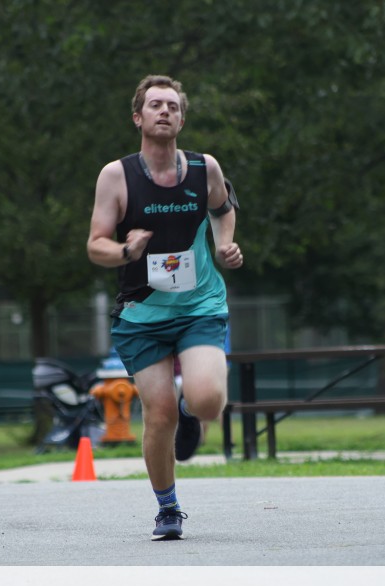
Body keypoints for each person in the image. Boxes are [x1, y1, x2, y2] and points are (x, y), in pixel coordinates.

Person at [87, 74, 243, 540]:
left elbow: (224, 208)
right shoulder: (117, 176)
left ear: (181, 120)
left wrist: (225, 245)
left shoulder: (203, 168)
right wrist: (125, 250)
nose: (165, 111)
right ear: (138, 117)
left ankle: (190, 407)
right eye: (156, 105)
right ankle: (168, 508)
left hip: (199, 305)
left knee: (208, 401)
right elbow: (96, 244)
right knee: (159, 415)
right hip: (142, 316)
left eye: (173, 106)